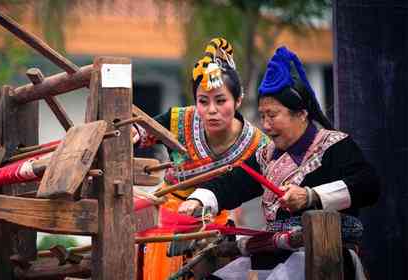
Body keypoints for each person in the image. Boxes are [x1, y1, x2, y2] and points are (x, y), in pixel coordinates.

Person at [179, 46, 380, 279]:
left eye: (272, 115)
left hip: (325, 255)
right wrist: (197, 200)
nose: (265, 125)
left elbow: (368, 186)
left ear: (301, 114)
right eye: (262, 116)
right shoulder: (266, 156)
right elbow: (231, 184)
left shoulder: (335, 146)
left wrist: (310, 195)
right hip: (274, 252)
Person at [133, 37, 268, 280]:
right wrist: (133, 133)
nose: (211, 110)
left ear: (238, 100)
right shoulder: (179, 119)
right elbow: (143, 133)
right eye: (203, 101)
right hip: (170, 214)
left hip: (217, 218)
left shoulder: (257, 144)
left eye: (221, 100)